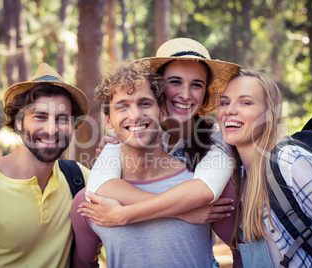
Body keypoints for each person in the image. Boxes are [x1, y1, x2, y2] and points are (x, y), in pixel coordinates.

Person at [78, 38, 242, 266]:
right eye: (176, 82)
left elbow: (205, 191)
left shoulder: (217, 139)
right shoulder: (133, 134)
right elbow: (98, 185)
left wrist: (124, 215)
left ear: (205, 93)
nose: (185, 94)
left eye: (196, 85)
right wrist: (182, 213)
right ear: (160, 88)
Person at [0, 63, 91, 267]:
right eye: (40, 117)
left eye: (62, 119)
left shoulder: (79, 178)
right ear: (18, 122)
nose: (51, 129)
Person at [217, 69, 312, 267]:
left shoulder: (290, 162)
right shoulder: (240, 179)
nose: (229, 110)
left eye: (245, 102)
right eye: (224, 102)